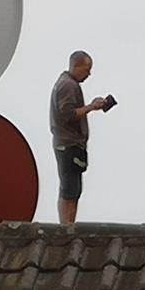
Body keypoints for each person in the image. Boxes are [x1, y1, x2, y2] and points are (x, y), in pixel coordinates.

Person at [50, 50, 105, 224]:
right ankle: (67, 226)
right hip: (68, 144)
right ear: (76, 66)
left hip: (68, 143)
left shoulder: (67, 83)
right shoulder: (68, 85)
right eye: (86, 69)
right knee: (70, 189)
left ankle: (67, 224)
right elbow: (68, 114)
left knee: (72, 189)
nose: (89, 74)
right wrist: (91, 107)